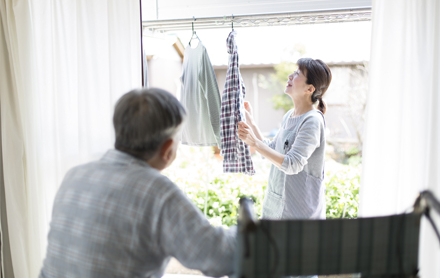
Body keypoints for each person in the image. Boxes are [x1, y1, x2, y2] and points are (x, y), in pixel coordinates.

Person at [39, 88, 236, 277]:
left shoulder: (74, 176)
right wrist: (248, 228)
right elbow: (220, 258)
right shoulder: (159, 192)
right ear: (168, 149)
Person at [238, 58, 332, 220]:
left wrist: (254, 142)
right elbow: (272, 150)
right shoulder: (290, 115)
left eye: (297, 74)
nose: (290, 76)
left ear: (309, 88)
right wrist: (251, 122)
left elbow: (292, 164)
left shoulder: (312, 120)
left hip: (300, 215)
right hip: (276, 209)